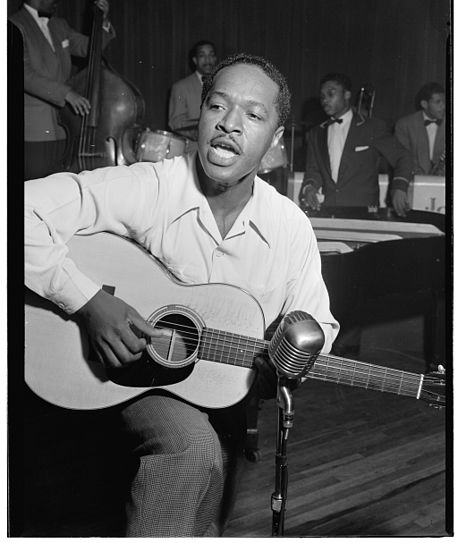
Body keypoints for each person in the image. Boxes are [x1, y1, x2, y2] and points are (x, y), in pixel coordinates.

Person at [24, 53, 339, 536]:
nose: (229, 125)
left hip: (228, 399)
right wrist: (87, 301)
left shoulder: (290, 226)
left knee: (205, 520)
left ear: (275, 142)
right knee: (191, 452)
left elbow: (319, 324)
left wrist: (297, 351)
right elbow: (19, 212)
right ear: (201, 116)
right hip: (132, 384)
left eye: (253, 115)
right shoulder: (152, 186)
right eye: (218, 106)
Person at [9, 0, 115, 180]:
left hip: (64, 128)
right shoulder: (13, 25)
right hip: (33, 131)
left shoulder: (60, 25)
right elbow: (23, 74)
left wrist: (103, 20)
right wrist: (67, 94)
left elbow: (89, 48)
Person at [299, 73, 412, 216]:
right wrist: (309, 187)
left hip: (363, 212)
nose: (325, 100)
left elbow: (403, 156)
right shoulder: (316, 133)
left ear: (347, 95)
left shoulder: (372, 127)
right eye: (322, 96)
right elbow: (313, 170)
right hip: (329, 211)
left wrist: (399, 187)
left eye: (331, 94)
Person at [168, 40, 217, 140]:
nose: (208, 60)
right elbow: (175, 123)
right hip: (193, 150)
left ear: (215, 58)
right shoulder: (180, 87)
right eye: (202, 55)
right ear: (195, 60)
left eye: (211, 55)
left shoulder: (223, 84)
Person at [394, 82, 446, 176]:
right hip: (414, 180)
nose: (444, 106)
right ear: (424, 104)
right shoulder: (404, 125)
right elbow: (402, 159)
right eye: (438, 102)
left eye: (444, 101)